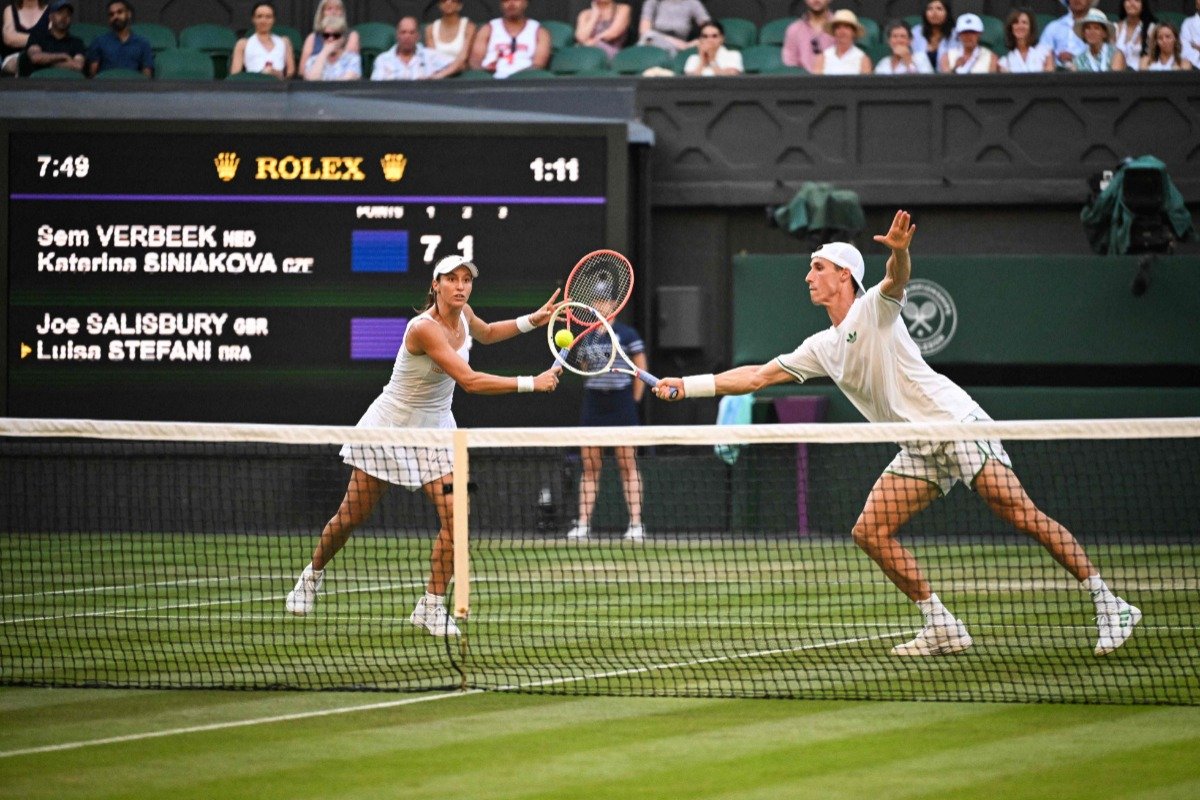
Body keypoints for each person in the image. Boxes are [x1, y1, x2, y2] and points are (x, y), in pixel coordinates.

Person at [653, 210, 1142, 658]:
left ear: (844, 275)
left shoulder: (874, 309)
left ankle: (1111, 604)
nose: (808, 277)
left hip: (953, 423)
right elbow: (758, 376)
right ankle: (942, 625)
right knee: (869, 532)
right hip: (919, 445)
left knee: (1019, 512)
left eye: (818, 268)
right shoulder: (821, 347)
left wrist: (900, 252)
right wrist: (689, 385)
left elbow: (895, 279)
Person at [285, 256, 563, 636]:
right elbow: (470, 381)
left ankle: (431, 606)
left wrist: (533, 319)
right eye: (452, 279)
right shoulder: (423, 329)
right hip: (390, 430)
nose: (461, 286)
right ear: (436, 285)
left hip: (437, 433)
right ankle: (311, 577)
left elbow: (487, 333)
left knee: (457, 516)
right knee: (349, 518)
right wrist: (532, 382)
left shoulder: (464, 315)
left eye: (466, 279)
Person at [565, 298, 648, 543]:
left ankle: (636, 525)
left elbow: (640, 369)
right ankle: (583, 525)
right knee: (590, 467)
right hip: (594, 404)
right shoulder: (586, 337)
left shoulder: (627, 334)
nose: (600, 305)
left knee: (628, 465)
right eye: (596, 301)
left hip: (621, 403)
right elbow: (583, 368)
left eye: (605, 301)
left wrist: (632, 402)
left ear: (614, 304)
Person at [469, 0, 550, 79]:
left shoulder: (539, 31)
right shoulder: (488, 28)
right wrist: (484, 72)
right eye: (506, 1)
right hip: (491, 80)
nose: (511, 3)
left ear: (525, 3)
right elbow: (475, 60)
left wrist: (516, 76)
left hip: (525, 80)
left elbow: (538, 64)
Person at [372, 16, 454, 80]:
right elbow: (375, 88)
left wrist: (438, 76)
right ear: (397, 35)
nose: (407, 37)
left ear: (418, 36)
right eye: (403, 32)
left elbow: (456, 64)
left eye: (412, 32)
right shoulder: (383, 60)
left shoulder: (430, 56)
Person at [85, 0, 152, 78]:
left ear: (129, 14)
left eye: (120, 12)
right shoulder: (99, 41)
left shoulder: (142, 43)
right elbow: (93, 74)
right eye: (111, 14)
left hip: (132, 84)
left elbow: (147, 74)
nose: (115, 17)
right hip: (106, 84)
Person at [229, 1, 294, 80]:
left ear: (273, 19)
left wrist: (278, 74)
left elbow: (290, 72)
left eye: (268, 17)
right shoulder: (243, 44)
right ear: (253, 19)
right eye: (259, 16)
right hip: (254, 84)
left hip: (279, 84)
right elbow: (235, 76)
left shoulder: (284, 42)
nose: (263, 20)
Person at [18, 0, 81, 77]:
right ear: (51, 17)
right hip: (37, 82)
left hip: (66, 82)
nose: (64, 17)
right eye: (60, 13)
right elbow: (35, 58)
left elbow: (78, 66)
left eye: (68, 14)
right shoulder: (37, 36)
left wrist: (45, 62)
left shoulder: (77, 42)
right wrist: (63, 56)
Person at [297, 0, 360, 76]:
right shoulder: (312, 38)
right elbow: (302, 70)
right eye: (329, 9)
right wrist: (324, 53)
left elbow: (349, 65)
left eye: (338, 9)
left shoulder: (351, 35)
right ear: (322, 13)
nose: (333, 12)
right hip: (315, 78)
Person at [423, 0, 475, 77]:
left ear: (459, 6)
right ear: (439, 5)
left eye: (453, 1)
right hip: (437, 72)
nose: (448, 3)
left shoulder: (469, 27)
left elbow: (463, 58)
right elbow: (432, 57)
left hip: (461, 74)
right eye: (444, 1)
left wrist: (440, 75)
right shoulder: (430, 29)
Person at [637, 0, 708, 55]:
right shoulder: (653, 2)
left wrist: (698, 41)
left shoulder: (692, 3)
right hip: (654, 42)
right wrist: (682, 45)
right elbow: (644, 32)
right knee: (648, 37)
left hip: (677, 47)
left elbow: (709, 27)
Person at [813, 9, 872, 75]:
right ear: (834, 32)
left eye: (846, 27)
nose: (842, 32)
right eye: (838, 27)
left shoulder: (863, 60)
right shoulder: (822, 58)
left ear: (854, 32)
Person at [781, 0, 834, 72]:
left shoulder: (841, 28)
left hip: (834, 78)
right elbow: (790, 64)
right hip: (802, 78)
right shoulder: (794, 29)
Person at [1040, 0, 1094, 70]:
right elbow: (1042, 54)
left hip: (1088, 73)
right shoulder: (1053, 27)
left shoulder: (1097, 29)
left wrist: (1074, 58)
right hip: (1056, 73)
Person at [303, 15, 360, 80]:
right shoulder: (312, 60)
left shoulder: (352, 59)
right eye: (326, 35)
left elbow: (345, 82)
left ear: (343, 38)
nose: (330, 39)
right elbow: (313, 81)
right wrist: (324, 53)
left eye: (336, 35)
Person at [996, 9, 1052, 73]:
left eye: (1024, 22)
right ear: (1011, 28)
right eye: (1016, 23)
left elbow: (1049, 77)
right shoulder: (1005, 59)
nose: (1020, 26)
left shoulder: (1045, 52)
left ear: (1031, 27)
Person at [1, 0, 46, 77]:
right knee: (24, 61)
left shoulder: (50, 10)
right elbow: (9, 39)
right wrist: (41, 38)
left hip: (43, 55)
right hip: (14, 57)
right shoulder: (10, 10)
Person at [911, 0, 956, 72]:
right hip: (919, 77)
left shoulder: (956, 34)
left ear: (947, 13)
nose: (934, 13)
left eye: (939, 8)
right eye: (930, 9)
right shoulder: (916, 32)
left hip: (949, 77)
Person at [1113, 0, 1157, 71]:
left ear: (1143, 5)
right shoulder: (1115, 28)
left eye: (1136, 0)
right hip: (1117, 74)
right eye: (1128, 0)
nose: (1132, 3)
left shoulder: (1151, 29)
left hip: (1142, 73)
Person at [1182, 0, 1200, 67]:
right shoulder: (1188, 23)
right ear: (1196, 5)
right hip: (1194, 66)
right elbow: (1184, 49)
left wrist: (1196, 47)